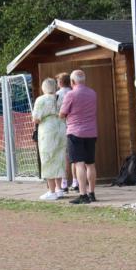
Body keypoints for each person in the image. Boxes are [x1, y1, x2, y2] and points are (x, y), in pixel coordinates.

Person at [59, 70, 98, 204]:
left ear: (72, 81)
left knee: (79, 164)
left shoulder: (70, 94)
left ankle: (83, 195)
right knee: (90, 164)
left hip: (75, 132)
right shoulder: (93, 93)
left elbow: (62, 113)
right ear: (84, 80)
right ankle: (92, 193)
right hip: (91, 132)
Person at [32, 78, 66, 200]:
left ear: (44, 88)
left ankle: (51, 191)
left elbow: (36, 119)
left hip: (47, 130)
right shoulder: (61, 98)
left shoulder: (41, 100)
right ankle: (59, 189)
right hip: (61, 128)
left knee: (48, 158)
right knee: (59, 158)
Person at [55, 72, 77, 192]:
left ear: (60, 82)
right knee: (75, 155)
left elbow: (57, 112)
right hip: (75, 125)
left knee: (64, 155)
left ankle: (64, 183)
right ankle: (75, 181)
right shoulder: (74, 93)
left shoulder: (57, 95)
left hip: (62, 126)